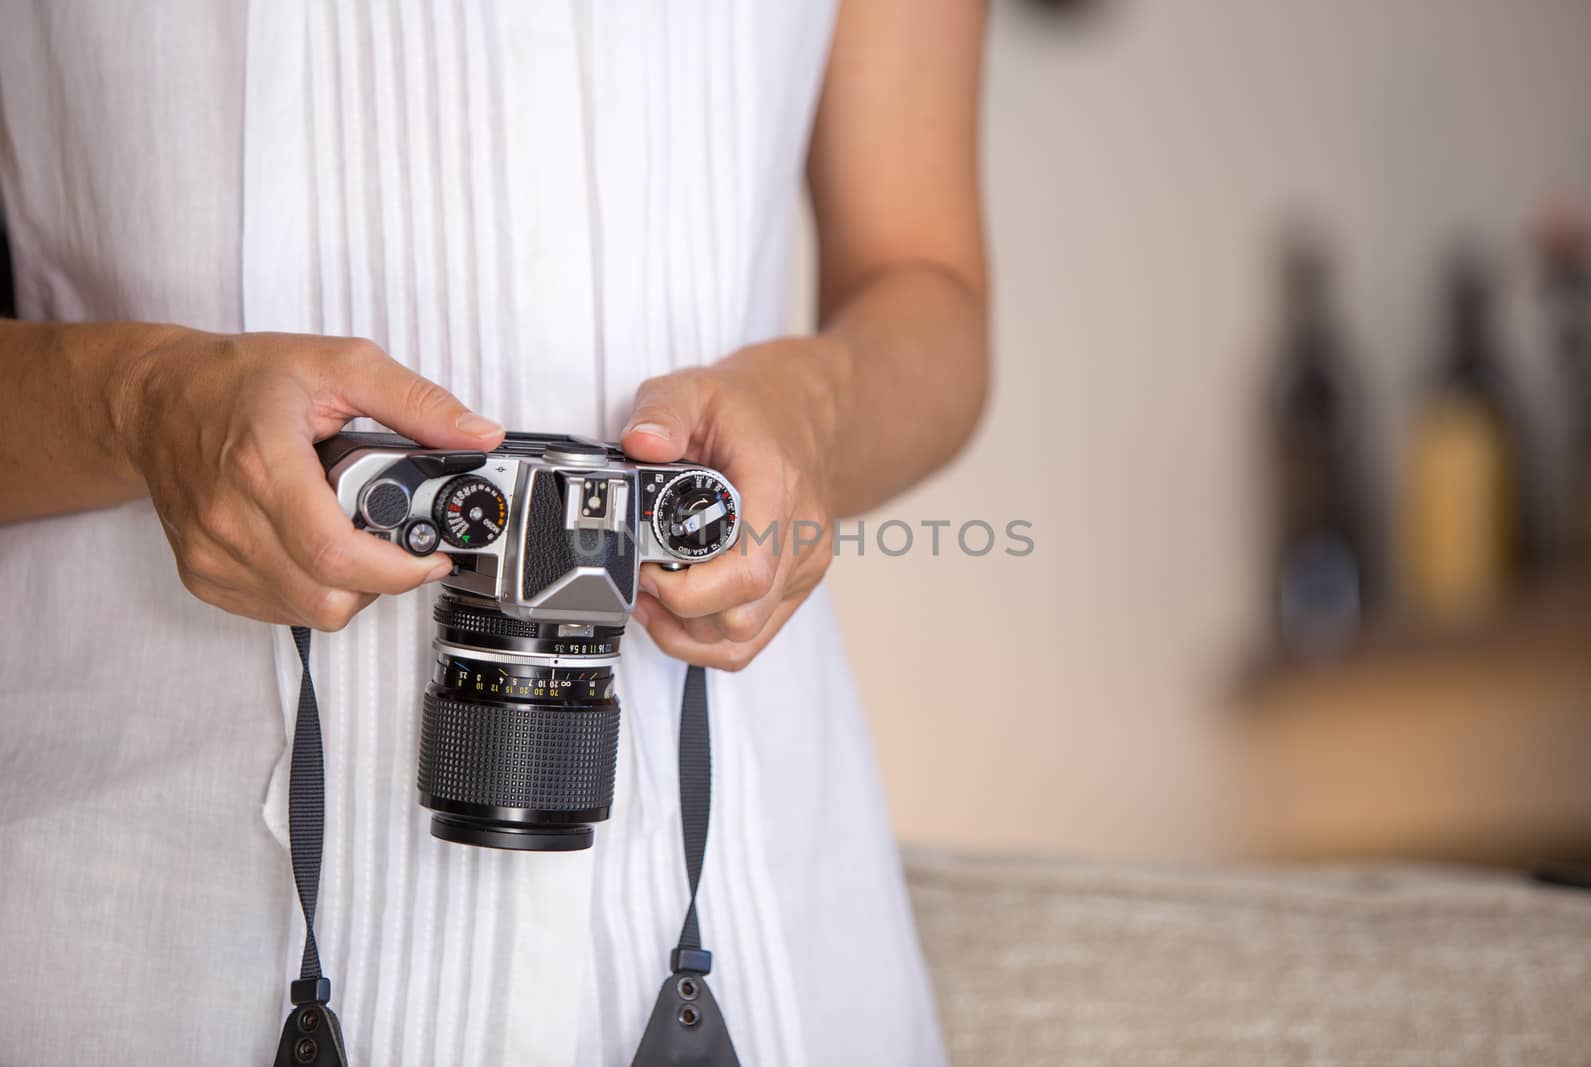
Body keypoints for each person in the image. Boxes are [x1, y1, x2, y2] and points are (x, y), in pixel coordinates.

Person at [0, 2, 988, 1064]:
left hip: (732, 903)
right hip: (141, 910)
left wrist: (817, 411)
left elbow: (926, 290)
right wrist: (139, 403)